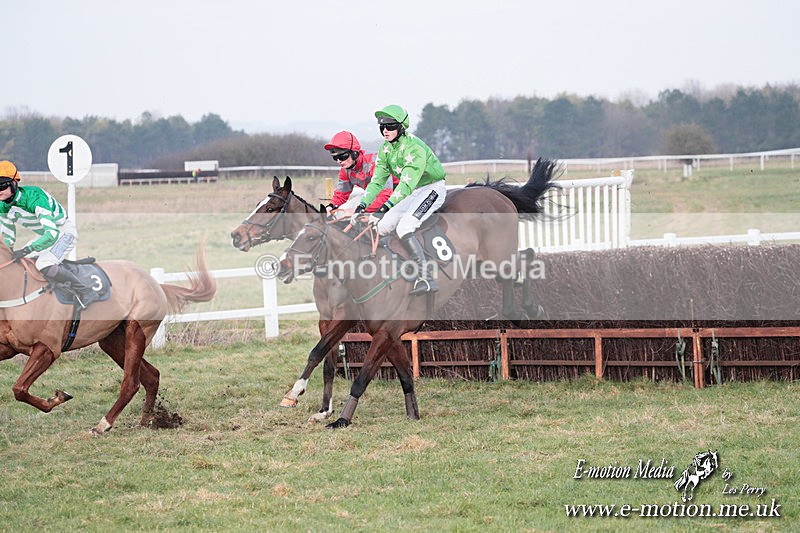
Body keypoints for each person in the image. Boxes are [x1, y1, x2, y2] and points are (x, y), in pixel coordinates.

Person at [351, 105, 447, 295]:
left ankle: (427, 278)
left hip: (432, 188)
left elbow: (405, 185)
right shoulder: (385, 148)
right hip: (414, 191)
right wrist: (361, 206)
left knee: (404, 227)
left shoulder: (415, 147)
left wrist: (383, 208)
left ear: (401, 127)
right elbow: (377, 182)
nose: (385, 130)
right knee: (380, 227)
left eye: (390, 126)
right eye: (382, 127)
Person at [0, 160, 99, 309]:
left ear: (14, 183)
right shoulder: (2, 205)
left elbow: (52, 233)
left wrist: (27, 249)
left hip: (63, 232)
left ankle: (86, 291)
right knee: (22, 262)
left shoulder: (34, 197)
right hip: (43, 237)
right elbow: (8, 235)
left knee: (43, 263)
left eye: (1, 185)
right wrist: (8, 253)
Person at [324, 130, 398, 213]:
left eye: (342, 156)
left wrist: (359, 210)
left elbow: (385, 195)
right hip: (379, 196)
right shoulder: (345, 170)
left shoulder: (375, 163)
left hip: (400, 193)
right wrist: (330, 206)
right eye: (335, 158)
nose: (338, 161)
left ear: (354, 153)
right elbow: (341, 195)